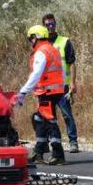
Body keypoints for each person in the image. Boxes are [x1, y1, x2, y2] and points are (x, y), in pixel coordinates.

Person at [16, 25, 66, 165]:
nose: (30, 41)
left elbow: (36, 74)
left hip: (47, 91)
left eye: (31, 38)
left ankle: (58, 154)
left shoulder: (41, 52)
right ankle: (39, 151)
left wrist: (23, 92)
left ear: (36, 37)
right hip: (55, 90)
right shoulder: (52, 49)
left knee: (50, 121)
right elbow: (60, 71)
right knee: (39, 118)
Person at [43, 13, 80, 153]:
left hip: (62, 87)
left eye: (52, 24)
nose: (50, 27)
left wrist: (73, 82)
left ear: (55, 24)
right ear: (44, 27)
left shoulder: (64, 41)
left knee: (67, 115)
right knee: (49, 117)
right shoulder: (43, 45)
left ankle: (73, 142)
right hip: (47, 88)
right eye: (47, 25)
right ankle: (53, 144)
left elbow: (72, 63)